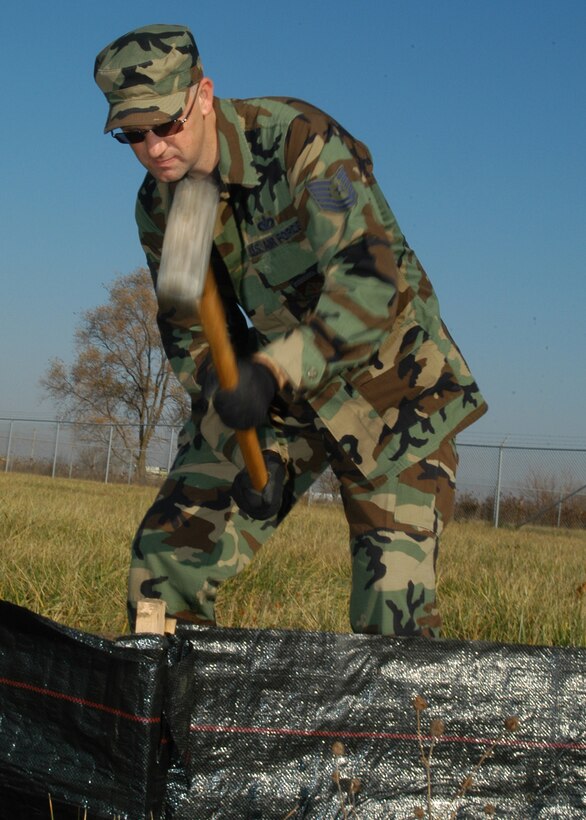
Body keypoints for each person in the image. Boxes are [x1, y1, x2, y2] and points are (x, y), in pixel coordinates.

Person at [94, 23, 487, 637]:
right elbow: (192, 330)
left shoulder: (298, 142)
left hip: (392, 390)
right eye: (132, 135)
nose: (153, 148)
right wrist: (250, 438)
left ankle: (405, 700)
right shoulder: (168, 207)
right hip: (276, 393)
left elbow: (370, 284)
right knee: (164, 565)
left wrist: (272, 372)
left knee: (392, 619)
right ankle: (175, 698)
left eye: (166, 124)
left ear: (203, 95)